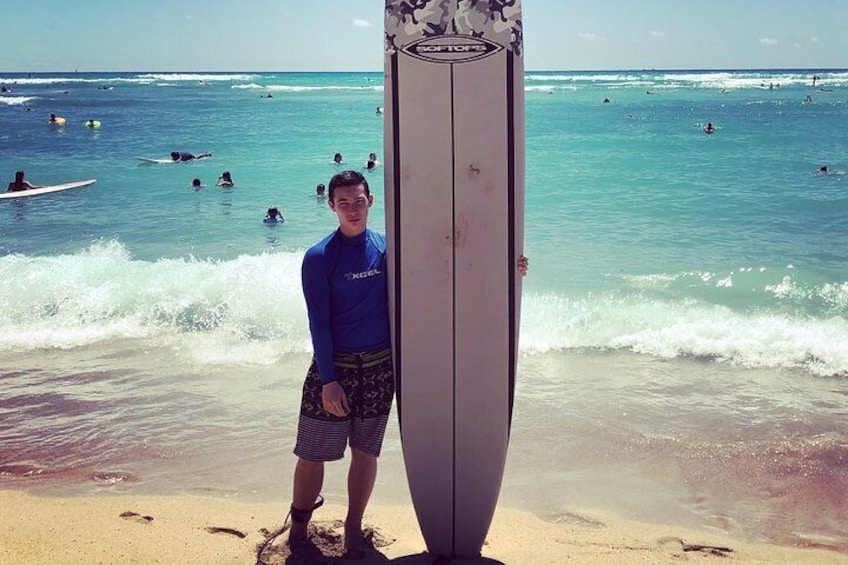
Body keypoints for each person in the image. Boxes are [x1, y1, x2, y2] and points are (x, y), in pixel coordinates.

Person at [283, 169, 393, 557]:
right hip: (334, 370)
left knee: (366, 452)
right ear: (331, 206)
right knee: (312, 453)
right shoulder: (319, 257)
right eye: (343, 203)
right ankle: (298, 528)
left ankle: (352, 527)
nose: (351, 209)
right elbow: (319, 322)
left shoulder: (387, 248)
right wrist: (328, 380)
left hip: (380, 368)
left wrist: (510, 267)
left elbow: (441, 270)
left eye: (358, 201)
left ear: (370, 201)